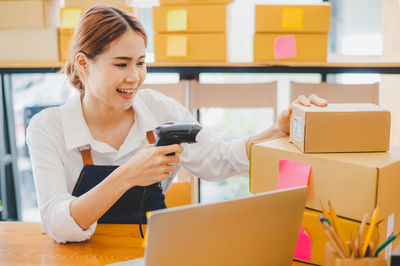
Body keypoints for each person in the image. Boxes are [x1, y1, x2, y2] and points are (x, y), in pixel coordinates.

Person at [26, 5, 328, 244]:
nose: (134, 77)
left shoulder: (161, 110)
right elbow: (57, 223)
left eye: (141, 62)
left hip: (152, 252)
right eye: (121, 64)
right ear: (83, 64)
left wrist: (278, 129)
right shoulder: (47, 128)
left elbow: (219, 159)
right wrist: (128, 175)